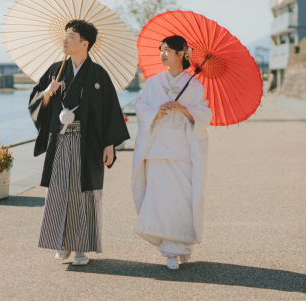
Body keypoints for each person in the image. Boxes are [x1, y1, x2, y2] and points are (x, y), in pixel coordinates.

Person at [29, 19, 130, 266]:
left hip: (88, 143)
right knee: (58, 190)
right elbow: (36, 101)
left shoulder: (98, 75)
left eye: (71, 37)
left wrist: (109, 144)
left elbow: (110, 111)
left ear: (85, 43)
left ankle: (81, 248)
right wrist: (48, 93)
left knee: (84, 193)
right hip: (61, 140)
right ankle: (61, 244)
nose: (65, 40)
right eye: (65, 36)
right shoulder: (55, 70)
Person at [131, 35, 212, 270]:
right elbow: (141, 108)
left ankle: (183, 244)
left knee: (182, 201)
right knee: (161, 201)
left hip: (183, 152)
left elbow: (204, 114)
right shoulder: (154, 82)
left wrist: (185, 110)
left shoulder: (194, 85)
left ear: (181, 53)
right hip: (158, 151)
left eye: (167, 50)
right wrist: (156, 112)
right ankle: (170, 251)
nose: (162, 54)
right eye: (161, 50)